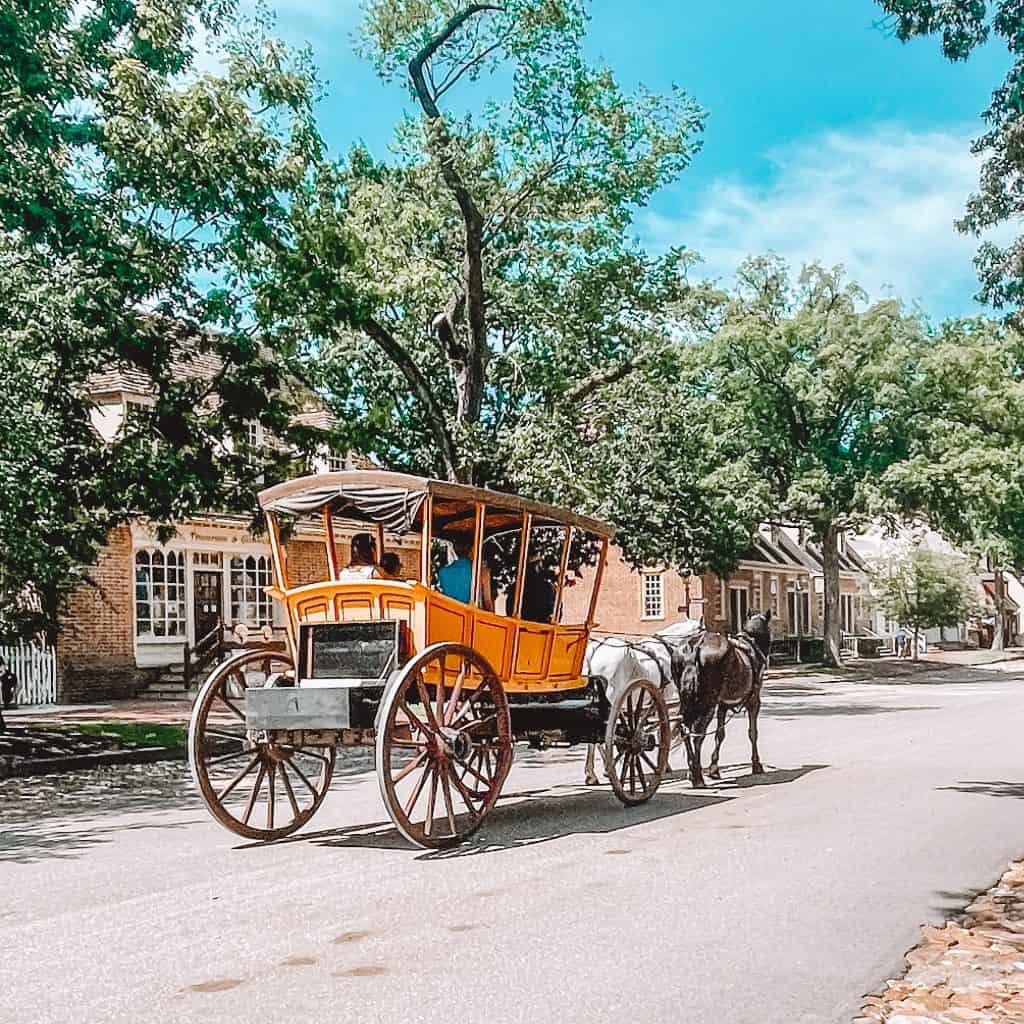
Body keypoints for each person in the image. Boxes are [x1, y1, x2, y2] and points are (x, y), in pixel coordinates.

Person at [437, 536, 494, 611]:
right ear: (472, 549)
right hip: (472, 617)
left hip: (450, 616)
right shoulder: (481, 572)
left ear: (454, 549)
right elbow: (488, 603)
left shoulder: (443, 572)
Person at [521, 555, 557, 623]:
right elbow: (555, 611)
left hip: (521, 625)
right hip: (541, 628)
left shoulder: (517, 586)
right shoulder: (548, 587)